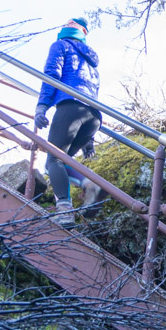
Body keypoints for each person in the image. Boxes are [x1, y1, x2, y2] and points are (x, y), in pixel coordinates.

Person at [34, 17, 105, 227]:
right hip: (94, 116)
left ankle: (65, 211)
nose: (64, 24)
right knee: (61, 161)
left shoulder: (61, 45)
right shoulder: (91, 61)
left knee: (53, 161)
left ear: (75, 29)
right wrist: (89, 141)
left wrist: (42, 106)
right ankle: (88, 184)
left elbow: (51, 75)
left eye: (68, 23)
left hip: (70, 107)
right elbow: (92, 91)